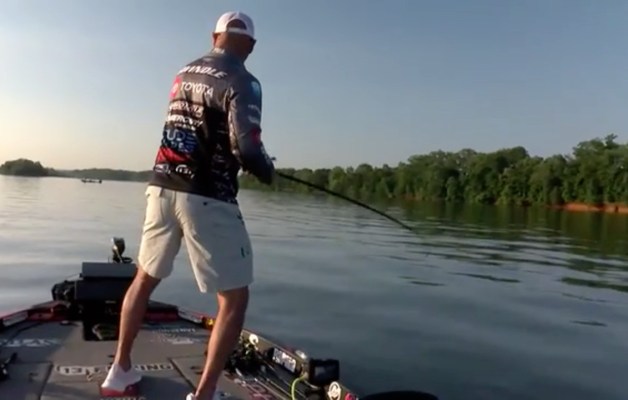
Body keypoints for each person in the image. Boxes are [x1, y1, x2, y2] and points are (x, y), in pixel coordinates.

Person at [100, 11, 275, 400]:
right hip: (208, 195)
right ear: (250, 45)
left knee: (143, 279)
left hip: (161, 187)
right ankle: (206, 393)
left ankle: (119, 371)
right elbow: (247, 147)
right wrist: (267, 170)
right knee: (234, 298)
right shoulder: (244, 81)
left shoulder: (183, 72)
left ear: (215, 36)